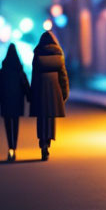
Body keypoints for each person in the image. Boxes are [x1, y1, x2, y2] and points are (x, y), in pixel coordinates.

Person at [29, 31, 69, 161]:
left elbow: (34, 76)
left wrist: (32, 93)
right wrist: (64, 93)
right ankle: (49, 142)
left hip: (41, 88)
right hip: (54, 90)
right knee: (51, 118)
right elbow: (63, 76)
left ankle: (42, 144)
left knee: (42, 118)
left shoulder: (38, 53)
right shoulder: (58, 54)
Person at [0, 44, 30, 162]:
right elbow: (25, 85)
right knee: (15, 124)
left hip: (6, 101)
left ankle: (10, 148)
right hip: (17, 101)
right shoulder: (20, 71)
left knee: (8, 126)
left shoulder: (3, 71)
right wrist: (29, 96)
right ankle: (14, 147)